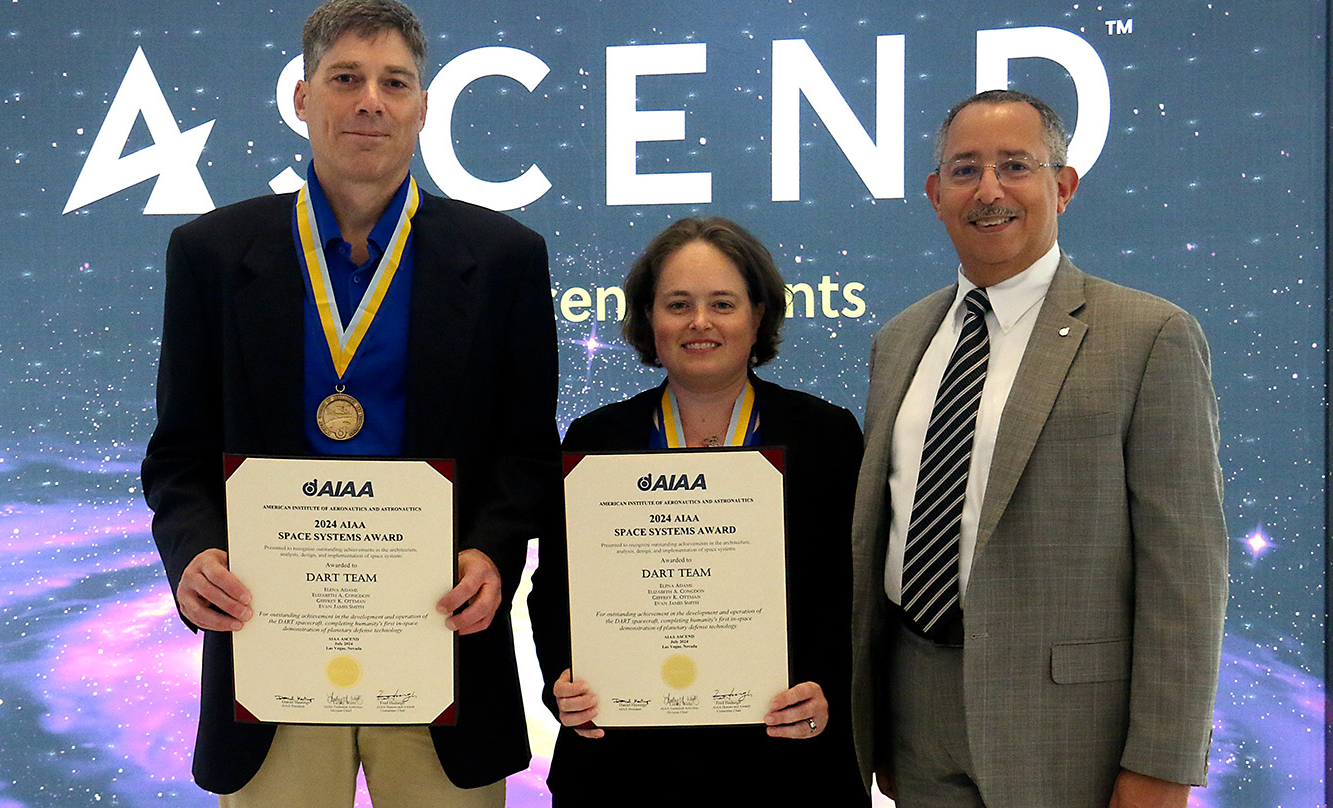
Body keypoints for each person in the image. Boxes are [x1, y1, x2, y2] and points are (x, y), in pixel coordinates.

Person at [141, 1, 560, 805]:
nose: (371, 100)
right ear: (303, 99)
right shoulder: (213, 254)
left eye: (394, 81)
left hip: (441, 648)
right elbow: (179, 452)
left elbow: (526, 452)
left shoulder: (506, 257)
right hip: (273, 653)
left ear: (423, 106)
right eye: (346, 78)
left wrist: (492, 553)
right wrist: (192, 554)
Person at [849, 89, 1228, 807]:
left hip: (1070, 730)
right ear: (935, 195)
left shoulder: (1149, 335)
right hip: (915, 716)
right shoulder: (899, 341)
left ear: (1062, 185)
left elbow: (1186, 570)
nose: (989, 190)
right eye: (965, 170)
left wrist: (1164, 762)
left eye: (1014, 166)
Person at [528, 217, 868, 805]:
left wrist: (831, 688)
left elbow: (854, 589)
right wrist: (563, 681)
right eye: (678, 304)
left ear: (758, 316)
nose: (700, 323)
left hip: (786, 759)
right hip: (624, 762)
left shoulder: (825, 435)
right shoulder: (597, 438)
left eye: (723, 303)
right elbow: (554, 589)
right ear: (648, 320)